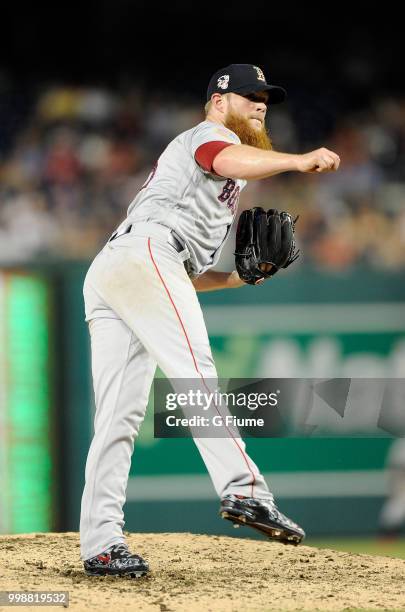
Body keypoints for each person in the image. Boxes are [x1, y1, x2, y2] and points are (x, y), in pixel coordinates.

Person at [80, 63, 340, 577]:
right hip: (144, 255)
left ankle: (100, 543)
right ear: (219, 101)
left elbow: (174, 271)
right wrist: (296, 159)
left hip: (123, 266)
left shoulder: (224, 175)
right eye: (249, 95)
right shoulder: (211, 136)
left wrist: (237, 280)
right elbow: (220, 160)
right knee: (194, 371)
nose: (261, 103)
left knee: (117, 417)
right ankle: (245, 491)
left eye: (265, 97)